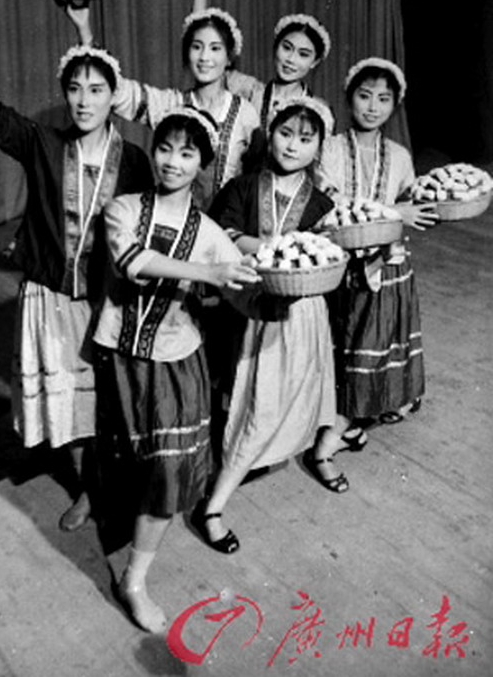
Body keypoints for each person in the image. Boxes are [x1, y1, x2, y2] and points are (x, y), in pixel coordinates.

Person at [0, 1, 153, 531]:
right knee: (68, 404)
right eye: (75, 89)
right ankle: (87, 489)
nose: (84, 101)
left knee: (108, 403)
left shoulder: (134, 161)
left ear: (114, 96)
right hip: (49, 298)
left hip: (106, 301)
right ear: (64, 94)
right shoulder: (43, 143)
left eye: (97, 90)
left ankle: (110, 483)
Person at [91, 108, 260, 633]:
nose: (172, 161)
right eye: (165, 148)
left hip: (177, 360)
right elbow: (133, 263)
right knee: (123, 460)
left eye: (187, 153)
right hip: (121, 355)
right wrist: (209, 272)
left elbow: (244, 288)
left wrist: (275, 283)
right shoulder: (121, 209)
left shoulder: (208, 232)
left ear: (201, 164)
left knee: (167, 473)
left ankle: (134, 580)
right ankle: (90, 502)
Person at [192, 97, 338, 552]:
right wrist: (284, 247)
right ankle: (213, 504)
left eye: (305, 139)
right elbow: (222, 233)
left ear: (318, 148)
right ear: (269, 134)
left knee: (297, 396)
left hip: (303, 315)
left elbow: (331, 255)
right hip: (250, 309)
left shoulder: (323, 203)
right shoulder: (242, 187)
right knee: (254, 404)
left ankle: (295, 452)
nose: (293, 146)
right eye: (285, 133)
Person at [307, 57, 438, 492]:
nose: (372, 107)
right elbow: (330, 205)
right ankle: (326, 442)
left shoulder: (399, 156)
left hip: (388, 269)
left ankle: (343, 428)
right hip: (340, 269)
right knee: (344, 351)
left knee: (375, 348)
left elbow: (412, 207)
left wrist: (421, 210)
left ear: (394, 105)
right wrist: (393, 212)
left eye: (383, 99)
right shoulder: (328, 148)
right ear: (349, 99)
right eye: (365, 96)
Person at [67, 0, 260, 210]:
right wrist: (84, 30)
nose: (204, 57)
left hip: (226, 224)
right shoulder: (171, 105)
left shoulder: (246, 114)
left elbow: (256, 180)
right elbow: (116, 90)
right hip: (169, 219)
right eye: (197, 47)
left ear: (229, 57)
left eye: (215, 48)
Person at [190, 0, 331, 136]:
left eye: (303, 54)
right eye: (287, 48)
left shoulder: (318, 109)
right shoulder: (248, 90)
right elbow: (205, 52)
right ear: (275, 47)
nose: (291, 59)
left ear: (315, 61)